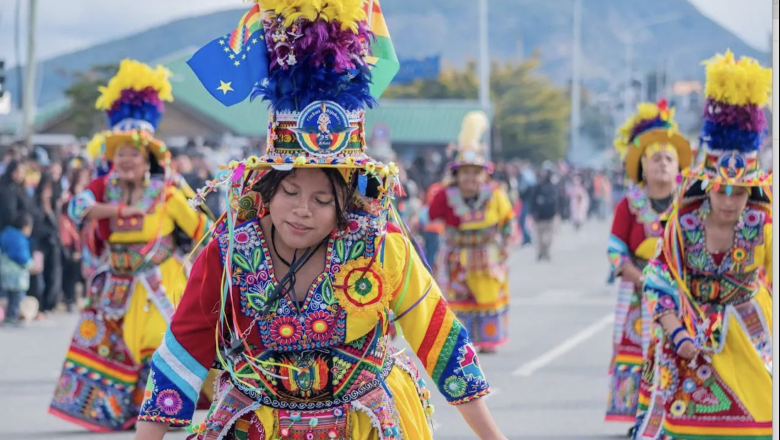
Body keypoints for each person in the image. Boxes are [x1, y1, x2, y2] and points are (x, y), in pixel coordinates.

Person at [135, 2, 507, 439]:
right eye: (290, 192)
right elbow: (184, 347)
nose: (302, 209)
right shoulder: (232, 248)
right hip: (258, 423)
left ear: (345, 204)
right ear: (268, 189)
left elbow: (440, 340)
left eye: (322, 199)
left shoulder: (380, 247)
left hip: (362, 424)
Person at [49, 59, 212, 432]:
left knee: (158, 340)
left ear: (148, 159)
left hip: (159, 278)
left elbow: (204, 227)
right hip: (117, 281)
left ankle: (163, 411)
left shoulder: (169, 191)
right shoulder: (103, 188)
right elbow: (78, 207)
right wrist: (118, 209)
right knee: (116, 343)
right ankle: (126, 411)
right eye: (118, 153)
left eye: (131, 154)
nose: (123, 160)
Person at [633, 51, 772, 440]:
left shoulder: (765, 227)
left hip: (750, 337)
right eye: (722, 191)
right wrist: (677, 334)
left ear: (752, 192)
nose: (729, 201)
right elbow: (658, 279)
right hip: (689, 343)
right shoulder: (682, 225)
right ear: (706, 188)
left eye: (739, 192)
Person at [604, 99, 693, 431]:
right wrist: (638, 277)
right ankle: (635, 419)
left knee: (676, 350)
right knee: (636, 354)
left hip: (679, 293)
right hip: (638, 292)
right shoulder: (629, 205)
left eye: (669, 158)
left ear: (678, 166)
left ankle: (673, 416)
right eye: (655, 158)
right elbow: (615, 249)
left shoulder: (688, 203)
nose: (663, 164)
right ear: (642, 166)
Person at [428, 111, 515, 354]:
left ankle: (487, 340)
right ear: (456, 175)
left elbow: (508, 220)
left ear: (483, 175)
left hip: (487, 255)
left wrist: (507, 244)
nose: (470, 178)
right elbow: (429, 216)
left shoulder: (496, 193)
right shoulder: (445, 195)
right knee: (457, 298)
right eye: (464, 172)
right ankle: (461, 342)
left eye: (475, 172)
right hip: (455, 256)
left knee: (487, 295)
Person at [0, 213, 35, 327]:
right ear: (25, 227)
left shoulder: (5, 234)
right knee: (16, 299)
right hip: (17, 276)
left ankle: (5, 317)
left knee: (5, 298)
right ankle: (11, 318)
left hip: (4, 273)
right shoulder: (20, 239)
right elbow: (22, 257)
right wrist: (31, 265)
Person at [529, 163, 560, 261]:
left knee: (547, 237)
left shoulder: (552, 187)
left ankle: (545, 252)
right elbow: (533, 200)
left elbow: (557, 201)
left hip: (549, 215)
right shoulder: (538, 187)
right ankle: (541, 252)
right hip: (541, 216)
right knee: (540, 236)